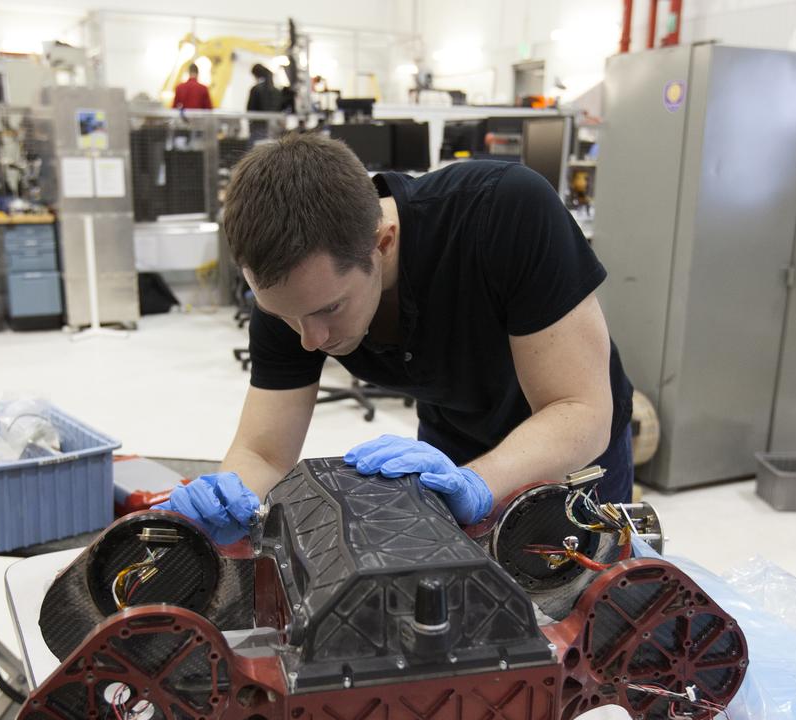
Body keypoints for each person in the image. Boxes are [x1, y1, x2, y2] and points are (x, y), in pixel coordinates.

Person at [159, 132, 633, 544]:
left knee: (578, 607)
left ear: (382, 243)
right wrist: (228, 498)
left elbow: (581, 412)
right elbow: (263, 452)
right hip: (451, 447)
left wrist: (478, 483)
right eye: (283, 316)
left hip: (569, 451)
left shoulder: (503, 211)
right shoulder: (294, 297)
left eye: (331, 309)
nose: (309, 340)